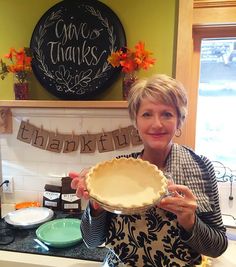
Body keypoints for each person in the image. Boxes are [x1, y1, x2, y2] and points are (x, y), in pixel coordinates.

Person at [69, 74, 228, 267]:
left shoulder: (200, 168)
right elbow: (92, 241)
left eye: (167, 114)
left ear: (179, 120)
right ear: (135, 121)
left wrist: (190, 220)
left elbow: (217, 247)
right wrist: (96, 205)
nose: (157, 124)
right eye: (147, 114)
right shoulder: (117, 170)